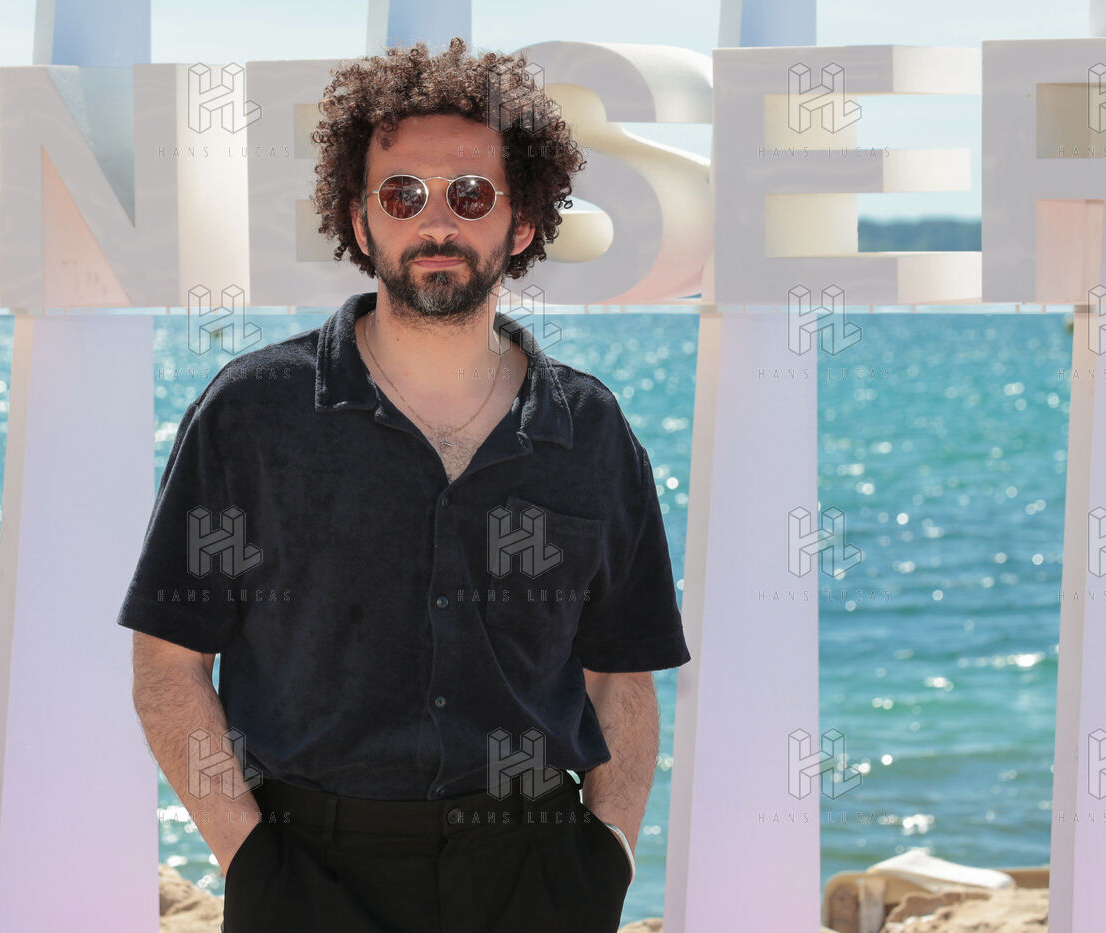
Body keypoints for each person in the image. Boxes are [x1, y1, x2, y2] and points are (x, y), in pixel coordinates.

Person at [118, 37, 692, 933]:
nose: (437, 222)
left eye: (471, 195)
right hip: (307, 876)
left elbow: (622, 670)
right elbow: (168, 662)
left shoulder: (589, 429)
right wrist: (250, 858)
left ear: (524, 224)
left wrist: (607, 855)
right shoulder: (253, 415)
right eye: (402, 195)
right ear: (359, 222)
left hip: (538, 878)